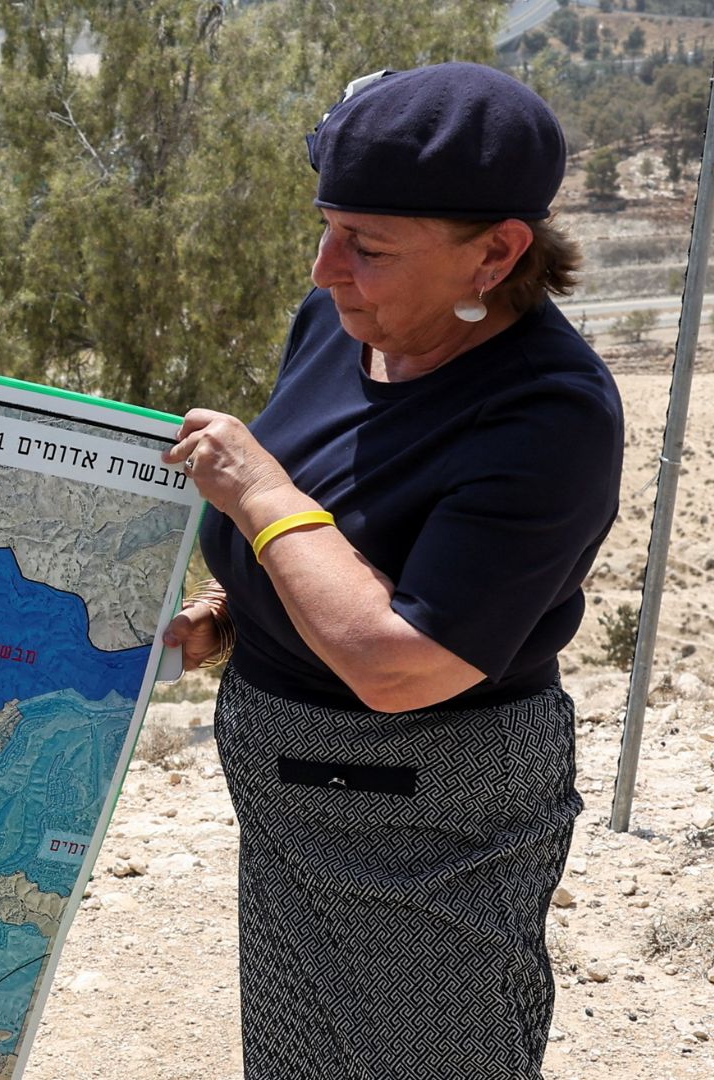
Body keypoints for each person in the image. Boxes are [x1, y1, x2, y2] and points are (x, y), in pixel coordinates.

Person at [158, 65, 622, 1078]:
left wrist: (261, 494)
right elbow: (347, 539)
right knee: (299, 1057)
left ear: (496, 253)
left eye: (368, 246)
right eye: (326, 229)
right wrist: (228, 616)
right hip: (286, 805)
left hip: (431, 824)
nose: (328, 269)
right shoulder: (341, 323)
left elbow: (402, 664)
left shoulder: (548, 416)